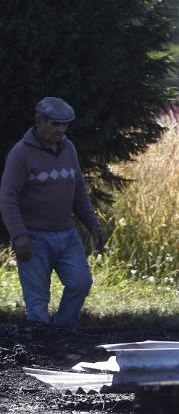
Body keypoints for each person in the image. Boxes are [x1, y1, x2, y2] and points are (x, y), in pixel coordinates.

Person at [0, 97, 106, 328]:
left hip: (66, 234)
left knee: (80, 282)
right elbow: (8, 197)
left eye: (65, 125)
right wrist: (19, 235)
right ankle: (39, 351)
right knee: (37, 301)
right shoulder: (21, 153)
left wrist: (93, 225)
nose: (61, 130)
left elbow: (79, 192)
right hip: (33, 237)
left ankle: (63, 331)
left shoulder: (69, 149)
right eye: (55, 124)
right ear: (39, 121)